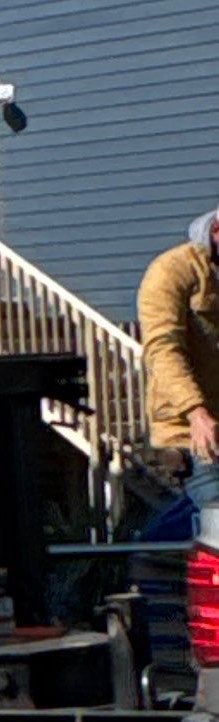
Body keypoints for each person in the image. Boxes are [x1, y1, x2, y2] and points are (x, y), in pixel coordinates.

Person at [139, 210, 219, 511]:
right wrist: (195, 411)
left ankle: (146, 555)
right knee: (213, 511)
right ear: (216, 231)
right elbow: (162, 349)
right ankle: (143, 553)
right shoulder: (171, 270)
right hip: (187, 427)